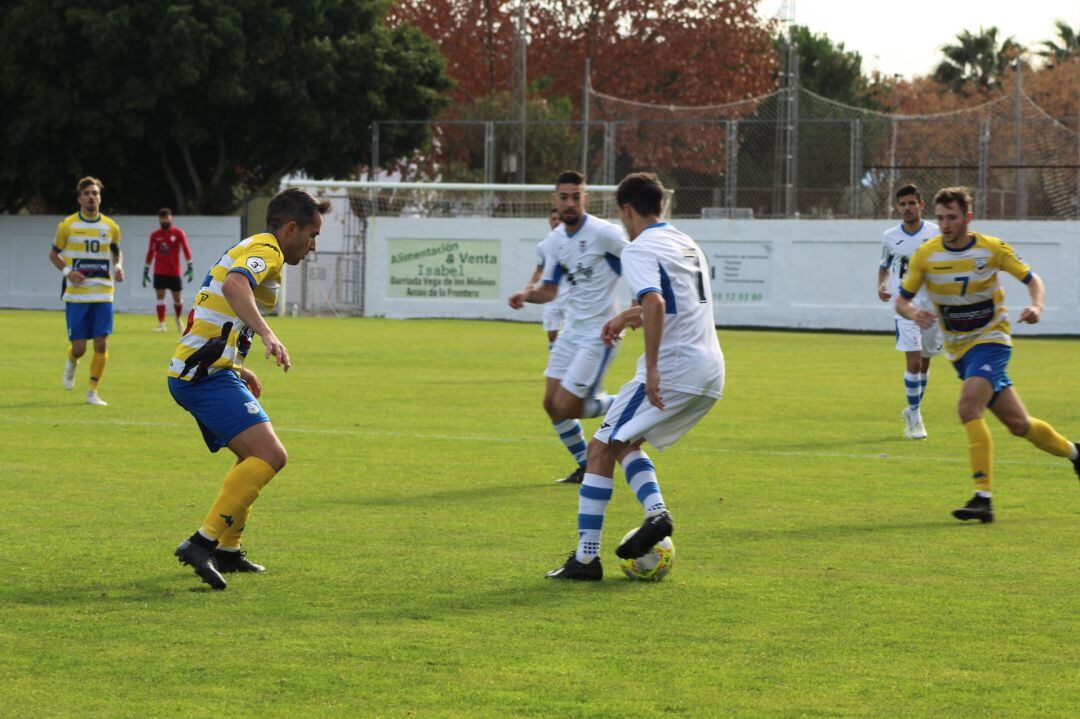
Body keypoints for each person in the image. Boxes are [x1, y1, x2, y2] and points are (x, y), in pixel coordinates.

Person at [546, 172, 724, 580]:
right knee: (625, 443)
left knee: (599, 447)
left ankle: (586, 559)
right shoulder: (684, 241)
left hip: (675, 368)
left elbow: (658, 303)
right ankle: (655, 514)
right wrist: (628, 315)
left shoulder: (639, 248)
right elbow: (674, 303)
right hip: (711, 372)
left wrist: (655, 369)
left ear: (627, 210)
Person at [169, 188, 330, 589]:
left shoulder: (255, 246)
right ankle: (201, 544)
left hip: (208, 368)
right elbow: (235, 287)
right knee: (272, 454)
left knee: (252, 457)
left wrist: (238, 367)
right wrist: (269, 335)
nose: (312, 247)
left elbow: (219, 312)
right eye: (312, 236)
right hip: (203, 374)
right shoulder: (269, 250)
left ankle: (228, 549)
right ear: (290, 229)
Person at [896, 186, 1080, 524]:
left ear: (968, 217)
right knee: (1018, 424)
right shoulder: (927, 255)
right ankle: (1076, 453)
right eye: (940, 218)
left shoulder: (991, 249)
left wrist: (1037, 305)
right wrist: (912, 313)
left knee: (968, 408)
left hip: (992, 341)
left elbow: (1031, 277)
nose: (945, 224)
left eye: (952, 217)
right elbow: (901, 299)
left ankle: (983, 497)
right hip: (960, 351)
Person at [508, 171, 628, 485]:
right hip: (572, 331)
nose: (570, 203)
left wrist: (636, 309)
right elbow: (550, 289)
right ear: (554, 200)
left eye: (576, 196)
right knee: (551, 404)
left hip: (601, 333)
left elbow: (639, 261)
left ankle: (628, 402)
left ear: (585, 198)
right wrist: (527, 295)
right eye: (564, 197)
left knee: (568, 405)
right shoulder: (553, 242)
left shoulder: (605, 234)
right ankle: (585, 464)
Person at [49, 176, 124, 406]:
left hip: (103, 293)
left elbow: (116, 252)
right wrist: (68, 272)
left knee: (101, 343)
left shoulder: (110, 227)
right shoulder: (67, 225)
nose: (92, 197)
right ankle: (72, 361)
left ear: (99, 198)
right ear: (79, 198)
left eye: (95, 194)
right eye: (87, 194)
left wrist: (119, 265)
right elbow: (54, 254)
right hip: (77, 295)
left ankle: (92, 392)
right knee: (80, 347)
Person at [877, 184, 942, 439]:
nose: (906, 208)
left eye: (911, 203)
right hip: (904, 306)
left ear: (921, 204)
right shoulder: (890, 236)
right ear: (897, 206)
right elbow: (884, 265)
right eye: (902, 204)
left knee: (925, 363)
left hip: (932, 307)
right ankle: (915, 416)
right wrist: (881, 285)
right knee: (913, 361)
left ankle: (913, 409)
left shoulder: (936, 233)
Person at [143, 208, 193, 332]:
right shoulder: (155, 235)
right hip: (159, 271)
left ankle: (178, 319)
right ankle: (161, 324)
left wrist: (190, 266)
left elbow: (186, 248)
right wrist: (145, 270)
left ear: (171, 218)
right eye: (162, 218)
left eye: (166, 217)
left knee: (177, 299)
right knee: (160, 297)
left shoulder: (178, 233)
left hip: (174, 271)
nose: (164, 220)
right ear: (159, 219)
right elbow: (150, 252)